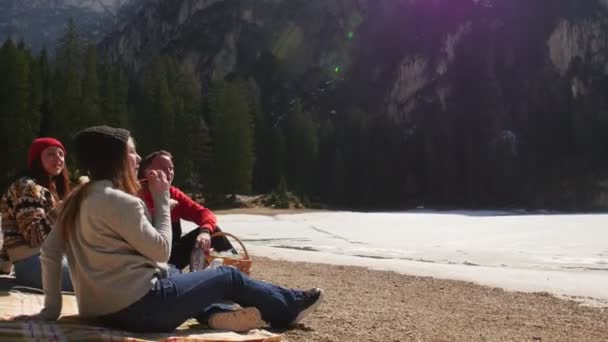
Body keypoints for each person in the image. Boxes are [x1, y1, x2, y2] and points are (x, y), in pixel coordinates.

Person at [25, 126, 323, 333]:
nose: (139, 159)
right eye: (133, 152)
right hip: (141, 310)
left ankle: (215, 314)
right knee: (227, 275)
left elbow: (49, 254)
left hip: (97, 310)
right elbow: (161, 249)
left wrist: (51, 311)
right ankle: (289, 307)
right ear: (116, 158)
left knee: (173, 273)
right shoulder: (120, 201)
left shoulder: (76, 199)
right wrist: (161, 200)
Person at [137, 150, 233, 270]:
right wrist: (162, 209)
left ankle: (237, 268)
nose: (169, 172)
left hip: (172, 255)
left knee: (213, 232)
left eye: (171, 168)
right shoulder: (135, 192)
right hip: (143, 260)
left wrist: (205, 232)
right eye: (162, 168)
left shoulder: (174, 194)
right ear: (146, 172)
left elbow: (203, 213)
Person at [0, 137, 73, 290]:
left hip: (43, 261)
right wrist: (62, 209)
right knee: (97, 279)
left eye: (61, 154)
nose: (58, 158)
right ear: (37, 159)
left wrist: (4, 264)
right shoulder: (27, 186)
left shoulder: (46, 187)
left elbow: (12, 230)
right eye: (51, 154)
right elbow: (33, 236)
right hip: (35, 265)